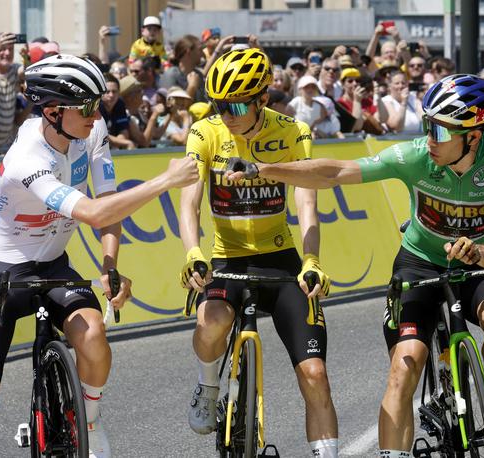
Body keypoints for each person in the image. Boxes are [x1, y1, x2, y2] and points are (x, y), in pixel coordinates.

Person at [226, 74, 484, 457]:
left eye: (440, 130)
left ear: (474, 136)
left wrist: (480, 254)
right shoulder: (416, 156)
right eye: (427, 125)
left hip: (478, 261)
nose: (430, 137)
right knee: (404, 370)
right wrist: (262, 169)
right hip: (420, 262)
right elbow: (334, 172)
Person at [0, 54, 199, 458]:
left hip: (54, 263)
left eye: (98, 104)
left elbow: (109, 203)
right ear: (51, 111)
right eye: (86, 107)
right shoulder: (27, 158)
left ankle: (90, 423)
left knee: (94, 333)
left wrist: (110, 266)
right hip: (3, 270)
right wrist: (166, 180)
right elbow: (94, 213)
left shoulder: (90, 134)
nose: (96, 115)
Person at [180, 48, 339, 458]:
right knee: (211, 322)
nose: (226, 113)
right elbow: (189, 202)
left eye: (235, 105)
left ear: (262, 99)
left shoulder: (292, 132)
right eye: (219, 103)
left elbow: (306, 202)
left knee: (315, 373)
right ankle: (209, 382)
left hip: (280, 256)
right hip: (227, 257)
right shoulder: (205, 132)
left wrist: (312, 260)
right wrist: (194, 252)